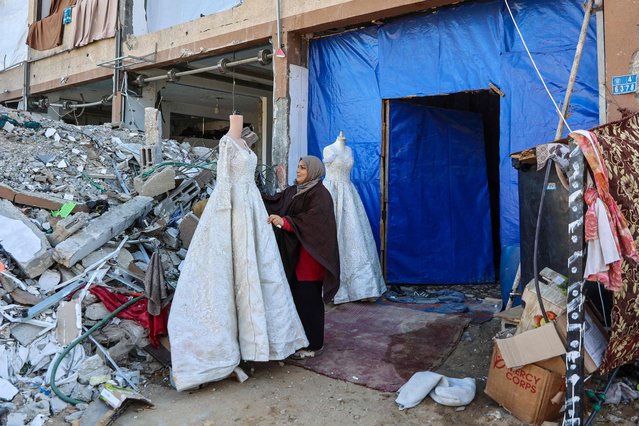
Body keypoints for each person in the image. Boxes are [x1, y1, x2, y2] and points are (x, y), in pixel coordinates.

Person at [168, 114, 308, 391]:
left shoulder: (244, 144)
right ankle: (226, 350)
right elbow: (223, 180)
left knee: (260, 271)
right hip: (233, 206)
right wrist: (223, 217)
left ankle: (261, 343)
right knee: (231, 273)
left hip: (251, 205)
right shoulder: (227, 143)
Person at [264, 156, 340, 359]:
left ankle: (314, 344)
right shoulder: (295, 191)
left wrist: (285, 222)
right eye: (298, 167)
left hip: (311, 257)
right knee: (297, 297)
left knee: (309, 299)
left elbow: (312, 222)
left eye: (303, 168)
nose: (298, 171)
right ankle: (300, 339)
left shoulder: (320, 195)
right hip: (295, 254)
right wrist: (252, 197)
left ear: (313, 171)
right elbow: (276, 202)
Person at [323, 131, 386, 303]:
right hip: (331, 193)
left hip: (349, 193)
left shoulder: (349, 150)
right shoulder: (328, 149)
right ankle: (332, 286)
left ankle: (359, 287)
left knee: (353, 236)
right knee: (331, 234)